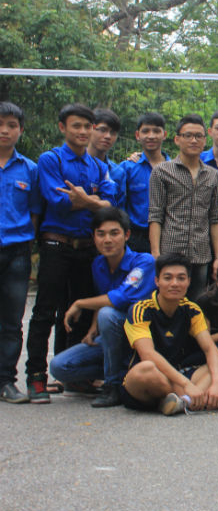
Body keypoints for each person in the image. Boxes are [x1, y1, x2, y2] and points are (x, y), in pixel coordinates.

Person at [26, 103, 117, 402]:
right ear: (62, 127)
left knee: (80, 311)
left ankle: (74, 376)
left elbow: (111, 206)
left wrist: (85, 200)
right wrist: (94, 201)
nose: (82, 131)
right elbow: (60, 202)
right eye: (76, 125)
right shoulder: (50, 159)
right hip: (56, 245)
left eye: (87, 126)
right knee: (45, 311)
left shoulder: (98, 166)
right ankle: (36, 377)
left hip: (87, 249)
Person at [48, 207, 156, 407]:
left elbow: (119, 298)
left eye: (114, 233)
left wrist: (79, 303)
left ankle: (112, 385)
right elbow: (104, 296)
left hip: (140, 338)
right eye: (101, 234)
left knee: (108, 314)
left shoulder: (144, 262)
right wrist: (93, 328)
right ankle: (122, 373)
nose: (107, 240)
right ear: (94, 237)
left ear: (127, 235)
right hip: (110, 335)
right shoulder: (98, 264)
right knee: (59, 367)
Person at [121, 253, 218, 415]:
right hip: (150, 380)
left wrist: (217, 383)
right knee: (146, 369)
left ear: (189, 282)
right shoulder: (140, 310)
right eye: (168, 278)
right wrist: (187, 385)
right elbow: (148, 354)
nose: (175, 283)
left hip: (180, 373)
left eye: (181, 278)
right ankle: (198, 399)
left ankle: (182, 402)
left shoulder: (192, 310)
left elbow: (209, 348)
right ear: (157, 281)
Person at [148, 114, 218, 301]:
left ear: (205, 140)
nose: (194, 140)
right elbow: (155, 215)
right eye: (188, 135)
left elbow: (214, 217)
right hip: (171, 251)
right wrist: (156, 254)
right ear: (177, 139)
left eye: (198, 136)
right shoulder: (161, 171)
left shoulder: (212, 175)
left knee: (197, 304)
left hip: (201, 254)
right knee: (169, 302)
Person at [0, 103, 42, 403]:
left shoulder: (30, 169)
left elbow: (35, 212)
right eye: (0, 124)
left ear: (21, 130)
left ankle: (5, 381)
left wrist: (27, 246)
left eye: (11, 125)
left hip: (16, 252)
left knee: (12, 321)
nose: (4, 130)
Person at [117, 112, 169, 253]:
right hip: (135, 238)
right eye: (145, 131)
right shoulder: (127, 168)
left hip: (167, 236)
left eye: (156, 131)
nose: (151, 136)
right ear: (137, 135)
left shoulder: (176, 169)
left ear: (164, 135)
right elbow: (119, 204)